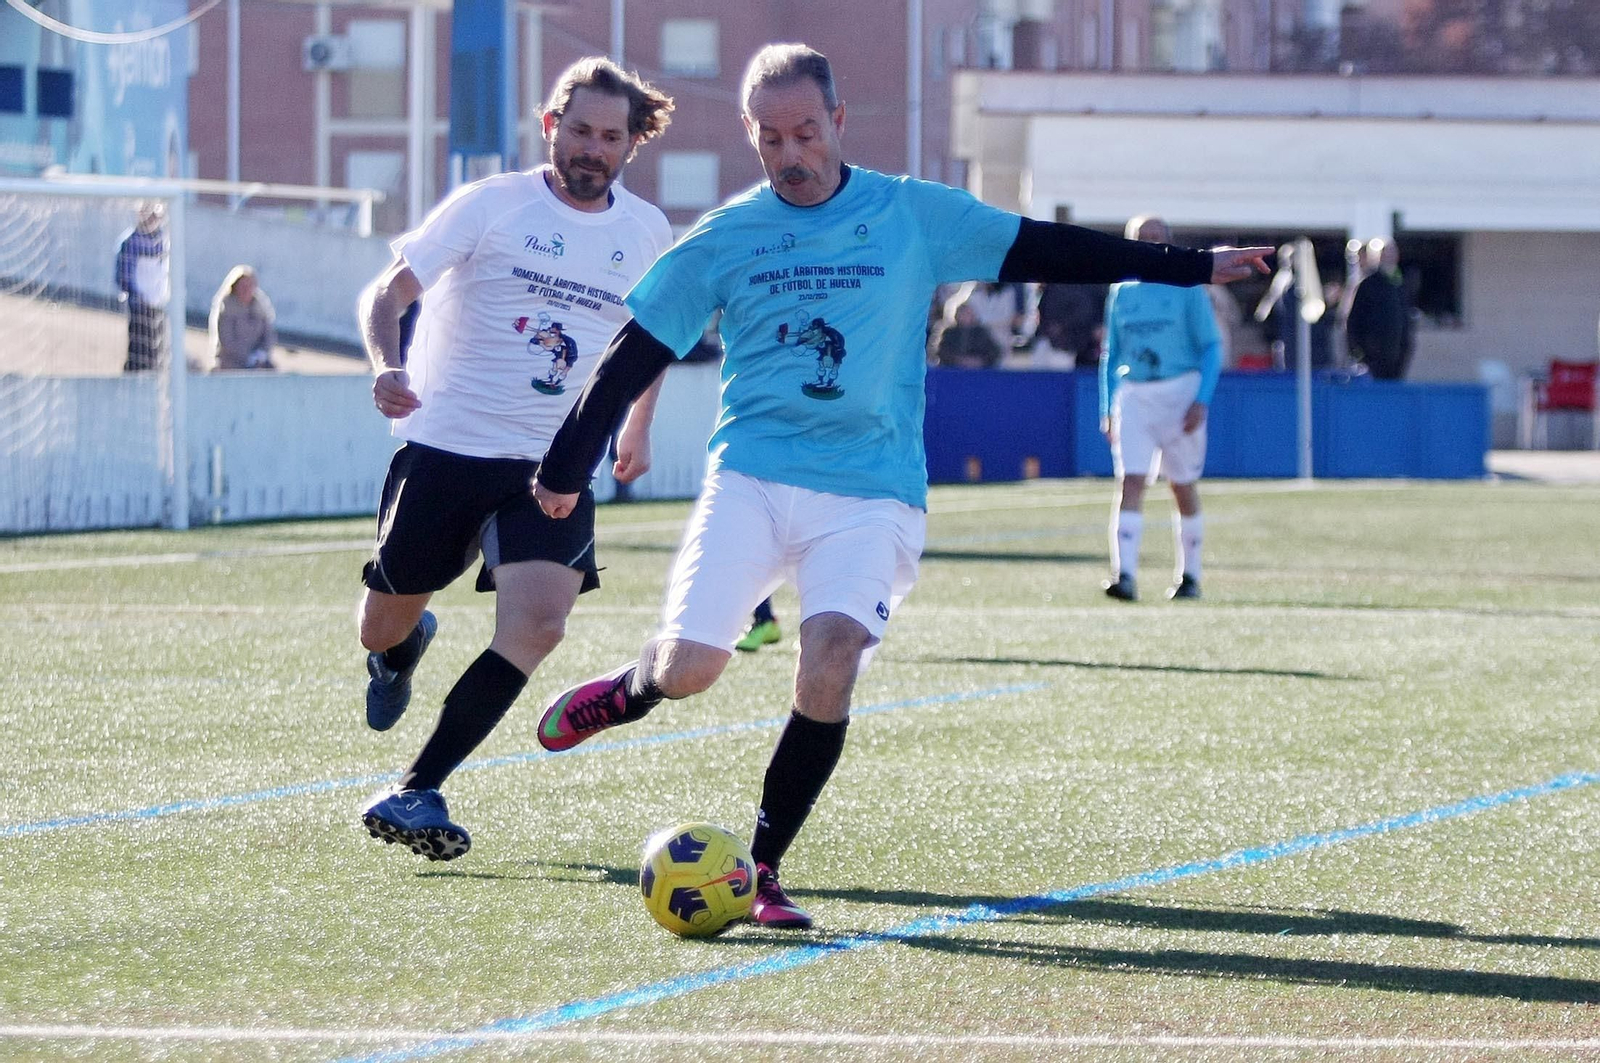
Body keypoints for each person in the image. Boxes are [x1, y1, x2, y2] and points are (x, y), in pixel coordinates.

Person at [528, 44, 1270, 927]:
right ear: (751, 134)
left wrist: (1191, 266)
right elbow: (631, 352)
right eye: (771, 138)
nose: (791, 154)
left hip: (872, 488)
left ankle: (762, 869)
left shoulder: (912, 213)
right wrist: (565, 466)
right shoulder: (728, 235)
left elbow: (1050, 247)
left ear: (839, 121)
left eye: (806, 132)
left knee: (832, 657)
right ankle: (634, 687)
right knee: (691, 670)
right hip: (753, 475)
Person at [354, 57, 676, 862]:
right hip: (447, 446)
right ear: (550, 126)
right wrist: (386, 364)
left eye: (611, 137)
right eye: (580, 131)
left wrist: (637, 426)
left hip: (553, 464)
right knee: (381, 622)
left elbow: (651, 339)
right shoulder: (493, 204)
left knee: (540, 623)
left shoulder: (646, 232)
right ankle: (400, 649)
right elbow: (389, 291)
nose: (593, 149)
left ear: (632, 144)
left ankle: (419, 786)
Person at [1099, 215, 1224, 603]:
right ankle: (1125, 575)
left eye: (1157, 236)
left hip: (1179, 391)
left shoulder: (1187, 287)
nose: (1150, 243)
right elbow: (1112, 352)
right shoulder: (1122, 291)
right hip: (1135, 393)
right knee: (1130, 480)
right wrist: (1107, 406)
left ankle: (1190, 576)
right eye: (1142, 237)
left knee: (1181, 485)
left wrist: (1201, 399)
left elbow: (1211, 346)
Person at [1345, 237, 1412, 380]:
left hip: (1397, 359)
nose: (1389, 256)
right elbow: (1354, 320)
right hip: (1372, 359)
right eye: (1385, 253)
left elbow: (1405, 320)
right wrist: (1358, 352)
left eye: (1392, 252)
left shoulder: (1400, 286)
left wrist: (1406, 348)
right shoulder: (1368, 285)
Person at [114, 202, 170, 372]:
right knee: (139, 351)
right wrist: (139, 297)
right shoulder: (130, 241)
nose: (152, 219)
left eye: (155, 215)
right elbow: (123, 276)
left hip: (159, 306)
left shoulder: (164, 241)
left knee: (158, 353)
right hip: (140, 307)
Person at [209, 265, 278, 370]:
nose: (246, 289)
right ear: (234, 287)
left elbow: (268, 336)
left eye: (250, 286)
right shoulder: (227, 309)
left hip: (256, 362)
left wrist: (260, 354)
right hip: (230, 364)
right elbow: (227, 342)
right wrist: (247, 356)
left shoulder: (260, 308)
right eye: (243, 286)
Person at [927, 299, 1002, 368]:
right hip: (953, 370)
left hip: (978, 371)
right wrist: (958, 360)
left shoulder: (981, 333)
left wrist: (979, 360)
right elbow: (941, 352)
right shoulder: (949, 333)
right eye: (963, 314)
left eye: (968, 313)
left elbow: (994, 352)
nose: (965, 316)